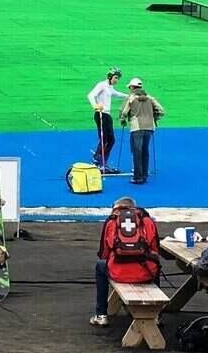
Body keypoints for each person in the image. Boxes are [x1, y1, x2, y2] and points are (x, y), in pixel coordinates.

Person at [90, 197, 160, 327]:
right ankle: (156, 316)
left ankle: (101, 314)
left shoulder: (112, 221)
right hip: (145, 273)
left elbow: (104, 252)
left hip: (118, 272)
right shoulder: (146, 220)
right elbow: (155, 249)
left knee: (100, 265)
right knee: (155, 264)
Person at [120, 77, 164, 184]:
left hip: (136, 127)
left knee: (137, 152)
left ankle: (137, 177)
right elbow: (161, 111)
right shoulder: (149, 98)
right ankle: (144, 174)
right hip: (149, 127)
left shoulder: (131, 98)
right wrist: (154, 118)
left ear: (132, 87)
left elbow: (124, 112)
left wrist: (122, 120)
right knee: (145, 151)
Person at [88, 68, 129, 171]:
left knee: (111, 140)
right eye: (115, 77)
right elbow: (91, 95)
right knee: (104, 138)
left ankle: (103, 163)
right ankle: (96, 158)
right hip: (100, 113)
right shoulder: (102, 84)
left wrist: (129, 96)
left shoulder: (110, 87)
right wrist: (95, 106)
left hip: (107, 115)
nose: (117, 80)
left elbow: (117, 94)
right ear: (110, 77)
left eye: (118, 78)